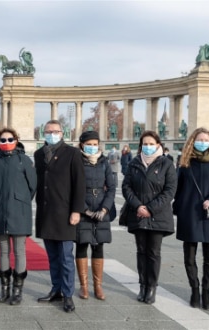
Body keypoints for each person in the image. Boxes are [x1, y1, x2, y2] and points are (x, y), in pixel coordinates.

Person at [173, 127, 209, 310]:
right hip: (189, 213)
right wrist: (177, 208)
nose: (203, 142)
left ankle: (206, 292)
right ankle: (194, 290)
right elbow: (177, 188)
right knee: (189, 257)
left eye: (206, 140)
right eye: (200, 139)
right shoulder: (185, 163)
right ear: (192, 141)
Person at [33, 119, 86, 313]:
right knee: (52, 257)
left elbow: (80, 184)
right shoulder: (39, 154)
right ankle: (56, 289)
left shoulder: (72, 153)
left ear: (62, 133)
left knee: (65, 257)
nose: (51, 134)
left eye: (55, 131)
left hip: (65, 213)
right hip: (46, 213)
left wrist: (76, 211)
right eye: (48, 131)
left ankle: (68, 294)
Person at [122, 130, 177, 305]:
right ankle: (142, 285)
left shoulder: (167, 164)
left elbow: (170, 191)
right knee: (141, 251)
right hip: (138, 213)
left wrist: (150, 209)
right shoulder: (134, 163)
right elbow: (126, 187)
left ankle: (152, 286)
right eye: (145, 144)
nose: (148, 146)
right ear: (140, 146)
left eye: (151, 143)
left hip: (157, 215)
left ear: (158, 145)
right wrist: (138, 206)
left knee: (153, 252)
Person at [0, 128, 36, 305]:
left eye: (9, 139)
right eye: (2, 140)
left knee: (19, 251)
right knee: (3, 251)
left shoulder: (24, 160)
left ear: (16, 140)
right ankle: (4, 289)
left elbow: (33, 186)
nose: (6, 142)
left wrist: (20, 201)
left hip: (19, 212)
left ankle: (17, 291)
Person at [75, 131, 115, 301]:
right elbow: (72, 188)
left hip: (101, 210)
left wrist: (104, 209)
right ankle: (84, 286)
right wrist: (85, 209)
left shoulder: (105, 162)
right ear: (82, 144)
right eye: (89, 144)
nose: (92, 147)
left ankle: (98, 286)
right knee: (82, 245)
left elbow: (112, 187)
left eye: (95, 144)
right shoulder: (76, 162)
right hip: (84, 210)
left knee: (99, 246)